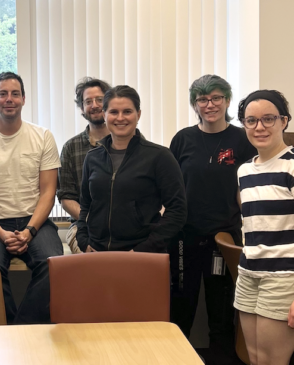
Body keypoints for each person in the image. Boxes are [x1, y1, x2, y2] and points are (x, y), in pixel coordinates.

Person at [169, 75, 257, 352]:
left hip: (224, 237)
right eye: (202, 99)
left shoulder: (242, 139)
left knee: (221, 315)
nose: (210, 105)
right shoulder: (183, 139)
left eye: (216, 97)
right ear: (195, 104)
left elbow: (247, 188)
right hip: (185, 236)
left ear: (228, 100)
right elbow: (172, 188)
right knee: (181, 310)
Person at [0, 72, 63, 324]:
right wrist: (0, 232)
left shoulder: (42, 136)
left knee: (54, 266)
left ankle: (22, 328)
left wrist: (30, 230)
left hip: (35, 222)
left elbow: (48, 192)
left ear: (23, 99)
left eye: (15, 94)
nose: (9, 99)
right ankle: (8, 329)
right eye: (3, 94)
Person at [76, 85, 186, 253]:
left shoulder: (159, 156)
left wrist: (145, 248)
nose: (120, 118)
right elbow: (86, 206)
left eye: (127, 111)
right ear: (104, 115)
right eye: (113, 112)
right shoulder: (92, 158)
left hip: (142, 253)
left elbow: (177, 211)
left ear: (138, 114)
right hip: (97, 252)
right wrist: (84, 241)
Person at [235, 89, 294, 365]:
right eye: (251, 120)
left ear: (284, 120)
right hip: (249, 273)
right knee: (255, 358)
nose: (259, 127)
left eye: (268, 119)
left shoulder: (292, 166)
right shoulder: (245, 170)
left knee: (274, 360)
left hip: (283, 277)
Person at [57, 77, 111, 254]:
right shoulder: (71, 148)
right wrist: (92, 220)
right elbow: (66, 197)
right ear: (82, 108)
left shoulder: (131, 141)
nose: (94, 105)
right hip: (83, 226)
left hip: (127, 226)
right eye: (88, 101)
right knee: (91, 261)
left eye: (100, 100)